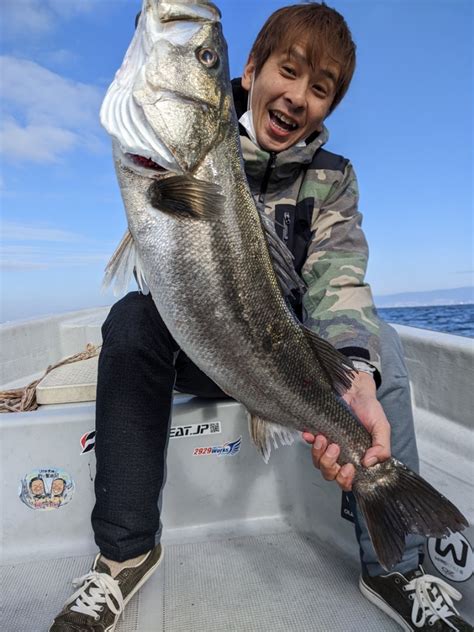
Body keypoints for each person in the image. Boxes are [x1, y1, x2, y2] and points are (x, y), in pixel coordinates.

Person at [50, 3, 472, 631]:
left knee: (377, 347)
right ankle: (124, 553)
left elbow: (337, 282)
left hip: (287, 366)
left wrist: (355, 378)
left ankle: (397, 565)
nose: (299, 96)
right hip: (199, 347)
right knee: (131, 322)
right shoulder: (190, 147)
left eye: (321, 88)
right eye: (289, 70)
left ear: (330, 106)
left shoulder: (332, 180)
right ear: (249, 70)